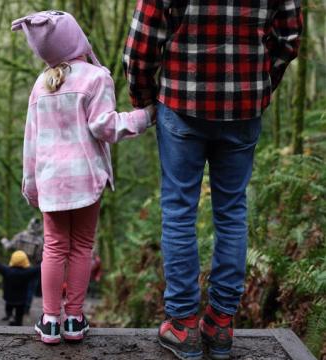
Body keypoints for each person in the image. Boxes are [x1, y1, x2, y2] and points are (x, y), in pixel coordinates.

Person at [123, 1, 303, 359]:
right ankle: (220, 322)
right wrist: (261, 84)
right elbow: (289, 37)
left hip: (181, 103)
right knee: (232, 211)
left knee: (178, 211)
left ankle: (183, 324)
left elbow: (140, 47)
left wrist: (145, 98)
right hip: (244, 107)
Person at [11, 10, 155, 344]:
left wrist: (30, 184)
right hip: (86, 181)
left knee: (54, 247)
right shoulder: (96, 77)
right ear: (76, 38)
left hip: (50, 182)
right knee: (82, 248)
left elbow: (30, 141)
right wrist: (144, 118)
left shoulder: (40, 84)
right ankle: (74, 319)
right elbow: (104, 126)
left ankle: (49, 321)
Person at [0, 248, 39, 326]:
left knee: (8, 308)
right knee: (19, 315)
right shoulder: (29, 272)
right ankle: (18, 325)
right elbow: (40, 267)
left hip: (9, 298)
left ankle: (10, 316)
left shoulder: (6, 270)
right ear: (25, 261)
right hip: (21, 300)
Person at [1, 217, 44, 313]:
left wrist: (4, 240)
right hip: (31, 268)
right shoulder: (40, 241)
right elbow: (39, 258)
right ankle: (26, 308)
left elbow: (8, 247)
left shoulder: (20, 236)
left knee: (14, 287)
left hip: (16, 267)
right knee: (30, 289)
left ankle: (11, 308)